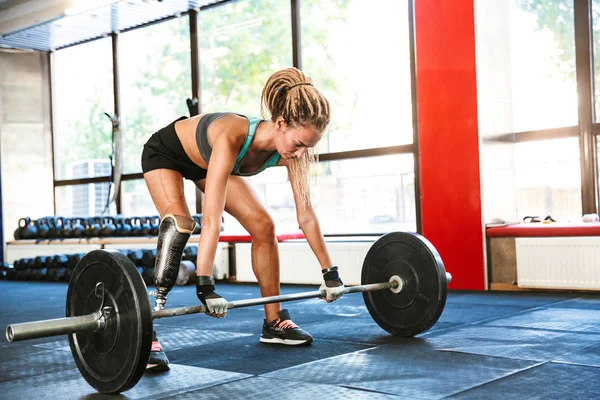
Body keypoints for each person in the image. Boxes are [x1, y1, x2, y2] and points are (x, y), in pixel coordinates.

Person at [141, 67, 345, 371]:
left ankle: (274, 321)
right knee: (180, 223)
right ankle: (147, 333)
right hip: (166, 153)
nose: (301, 154)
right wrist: (205, 284)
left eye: (308, 147)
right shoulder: (232, 135)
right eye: (299, 144)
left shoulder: (291, 153)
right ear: (280, 124)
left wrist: (330, 272)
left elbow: (307, 216)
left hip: (203, 162)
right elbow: (211, 219)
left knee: (264, 225)